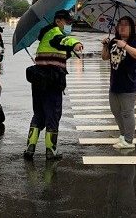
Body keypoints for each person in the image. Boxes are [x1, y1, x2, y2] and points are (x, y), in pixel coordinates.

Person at [23, 9, 83, 161]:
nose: (68, 25)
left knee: (39, 114)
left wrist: (69, 52)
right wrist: (75, 43)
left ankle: (30, 147)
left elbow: (56, 51)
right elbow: (62, 41)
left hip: (38, 81)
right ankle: (51, 150)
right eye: (67, 22)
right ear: (58, 21)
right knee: (53, 115)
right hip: (52, 81)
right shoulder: (55, 32)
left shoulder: (45, 36)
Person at [101, 16, 136, 150]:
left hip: (130, 84)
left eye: (126, 25)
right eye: (120, 25)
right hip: (115, 83)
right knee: (116, 111)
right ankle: (122, 135)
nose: (122, 27)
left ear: (131, 28)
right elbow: (105, 57)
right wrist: (105, 46)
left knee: (127, 112)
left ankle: (129, 140)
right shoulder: (114, 41)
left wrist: (125, 45)